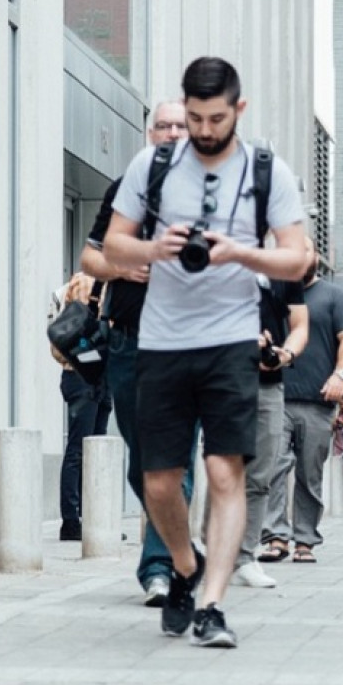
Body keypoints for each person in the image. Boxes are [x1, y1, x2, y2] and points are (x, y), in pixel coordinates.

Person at [102, 57, 309, 647]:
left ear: (237, 110)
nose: (203, 129)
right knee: (159, 481)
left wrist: (240, 253)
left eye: (215, 118)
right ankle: (186, 569)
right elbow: (112, 245)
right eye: (193, 117)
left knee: (224, 471)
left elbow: (298, 259)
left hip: (231, 340)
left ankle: (213, 604)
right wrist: (154, 249)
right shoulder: (155, 164)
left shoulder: (267, 170)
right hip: (163, 341)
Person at [81, 101, 193, 602]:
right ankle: (174, 539)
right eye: (163, 126)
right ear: (150, 134)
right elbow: (89, 256)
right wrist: (121, 269)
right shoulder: (125, 191)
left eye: (180, 126)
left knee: (174, 459)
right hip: (128, 338)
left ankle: (160, 568)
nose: (171, 133)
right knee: (143, 459)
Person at [260, 236, 343, 563]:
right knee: (273, 466)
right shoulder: (271, 292)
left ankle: (305, 539)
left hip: (319, 400)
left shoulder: (334, 296)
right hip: (275, 395)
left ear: (315, 256)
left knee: (309, 473)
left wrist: (340, 376)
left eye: (305, 250)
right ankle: (276, 536)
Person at [231, 272, 308, 589]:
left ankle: (245, 558)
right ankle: (216, 554)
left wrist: (285, 353)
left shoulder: (282, 266)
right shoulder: (219, 253)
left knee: (262, 474)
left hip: (269, 384)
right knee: (225, 471)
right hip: (222, 378)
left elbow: (300, 324)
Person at [50, 272, 113, 541]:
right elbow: (77, 331)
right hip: (83, 375)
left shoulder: (109, 284)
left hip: (95, 375)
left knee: (94, 451)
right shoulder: (86, 283)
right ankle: (71, 522)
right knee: (80, 449)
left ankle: (91, 520)